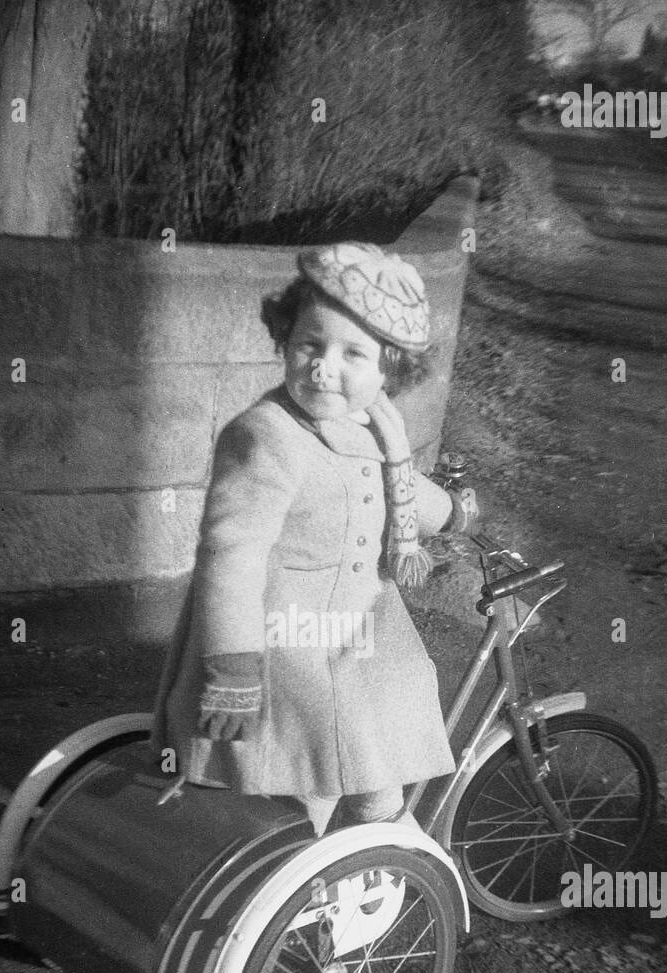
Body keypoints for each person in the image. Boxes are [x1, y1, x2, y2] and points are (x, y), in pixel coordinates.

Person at [151, 242, 479, 836]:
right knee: (317, 761)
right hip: (285, 638)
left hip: (357, 631)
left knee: (396, 704)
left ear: (390, 371)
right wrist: (233, 664)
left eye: (354, 354)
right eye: (310, 344)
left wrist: (452, 511)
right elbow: (233, 555)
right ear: (285, 340)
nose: (325, 367)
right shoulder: (266, 436)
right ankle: (324, 867)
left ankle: (357, 852)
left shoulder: (374, 424)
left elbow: (392, 485)